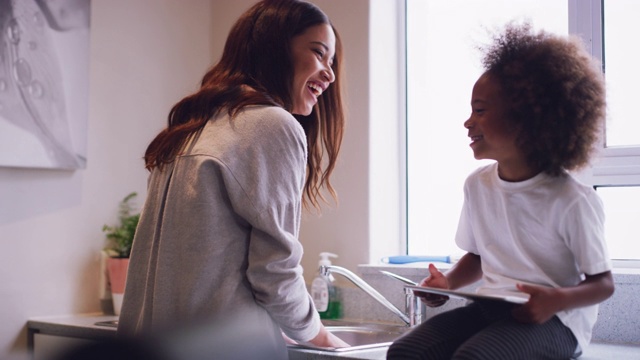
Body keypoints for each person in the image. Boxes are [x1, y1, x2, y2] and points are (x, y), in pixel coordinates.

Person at [117, 0, 349, 353]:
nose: (330, 74)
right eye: (319, 54)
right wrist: (318, 334)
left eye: (331, 62)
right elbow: (275, 273)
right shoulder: (272, 124)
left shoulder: (192, 128)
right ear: (275, 48)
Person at [387, 22, 614, 360]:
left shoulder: (572, 200)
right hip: (492, 310)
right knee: (405, 353)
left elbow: (603, 283)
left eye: (480, 110)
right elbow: (479, 256)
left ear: (527, 118)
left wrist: (555, 300)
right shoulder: (478, 185)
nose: (468, 122)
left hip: (555, 320)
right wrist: (448, 283)